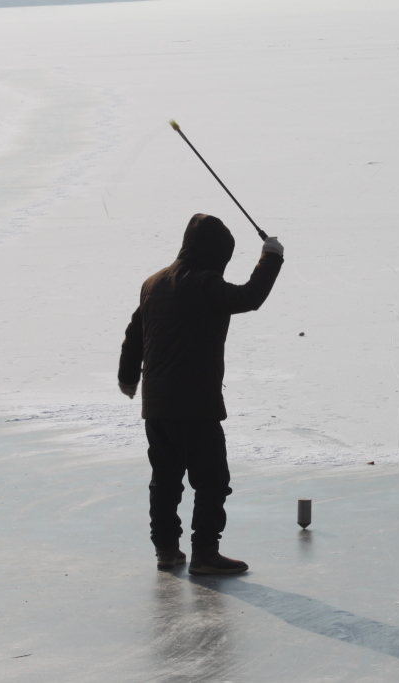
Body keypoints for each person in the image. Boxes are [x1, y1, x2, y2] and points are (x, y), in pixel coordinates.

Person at [118, 213, 284, 574]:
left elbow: (135, 332)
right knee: (211, 481)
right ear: (215, 253)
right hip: (195, 405)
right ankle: (205, 554)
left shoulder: (153, 283)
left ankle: (166, 550)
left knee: (165, 480)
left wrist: (128, 378)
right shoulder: (204, 284)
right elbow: (250, 297)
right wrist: (271, 257)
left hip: (157, 405)